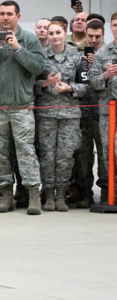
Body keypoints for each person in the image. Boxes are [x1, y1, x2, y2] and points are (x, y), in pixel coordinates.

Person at [0, 0, 45, 214]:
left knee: (26, 151)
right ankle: (5, 194)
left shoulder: (29, 39)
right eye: (2, 14)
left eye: (10, 14)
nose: (5, 17)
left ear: (18, 16)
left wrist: (17, 48)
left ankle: (33, 194)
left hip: (21, 107)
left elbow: (38, 67)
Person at [35, 19, 85, 211]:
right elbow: (32, 85)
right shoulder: (40, 57)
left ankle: (62, 195)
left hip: (70, 115)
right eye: (51, 33)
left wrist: (70, 87)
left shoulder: (78, 58)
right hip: (46, 114)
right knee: (47, 155)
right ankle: (48, 195)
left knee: (65, 156)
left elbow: (85, 86)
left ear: (65, 34)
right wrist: (46, 84)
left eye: (58, 33)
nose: (54, 37)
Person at [71, 19, 106, 207]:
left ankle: (107, 190)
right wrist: (84, 65)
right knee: (83, 156)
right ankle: (86, 193)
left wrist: (97, 65)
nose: (93, 40)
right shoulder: (76, 55)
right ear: (85, 35)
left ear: (103, 36)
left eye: (97, 36)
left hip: (103, 112)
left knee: (104, 155)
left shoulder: (108, 54)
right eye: (90, 36)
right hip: (82, 112)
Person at [89, 13, 117, 204]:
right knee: (108, 152)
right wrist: (105, 75)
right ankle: (111, 191)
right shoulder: (102, 54)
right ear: (111, 28)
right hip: (108, 110)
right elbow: (92, 82)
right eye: (115, 25)